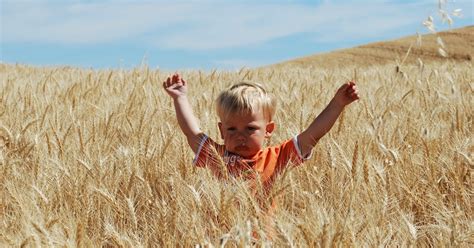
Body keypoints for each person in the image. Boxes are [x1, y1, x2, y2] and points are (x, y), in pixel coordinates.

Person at [162, 73, 359, 237]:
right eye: (231, 129)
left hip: (263, 241)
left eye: (250, 128)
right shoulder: (217, 156)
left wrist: (338, 104)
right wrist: (180, 98)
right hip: (221, 240)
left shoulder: (278, 156)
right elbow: (192, 132)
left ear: (268, 130)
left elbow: (312, 135)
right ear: (221, 131)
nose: (240, 136)